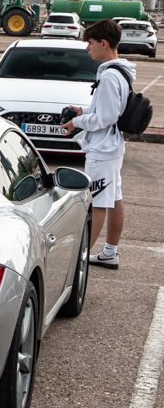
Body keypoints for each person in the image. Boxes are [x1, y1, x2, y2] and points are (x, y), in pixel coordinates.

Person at [60, 19, 137, 269]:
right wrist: (82, 110)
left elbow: (106, 117)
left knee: (97, 203)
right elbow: (108, 110)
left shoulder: (109, 76)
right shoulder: (120, 72)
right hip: (112, 146)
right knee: (114, 199)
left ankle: (78, 264)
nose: (87, 48)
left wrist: (77, 122)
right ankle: (110, 252)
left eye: (90, 43)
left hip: (103, 150)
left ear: (103, 43)